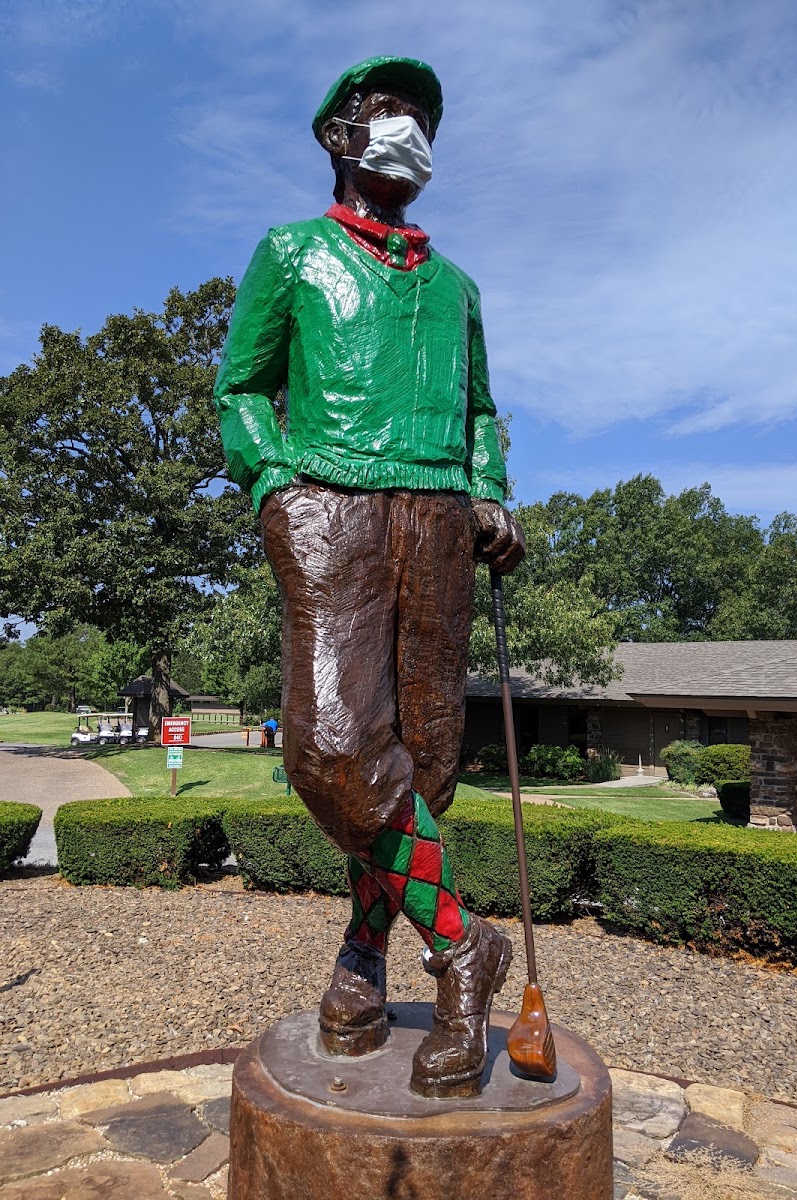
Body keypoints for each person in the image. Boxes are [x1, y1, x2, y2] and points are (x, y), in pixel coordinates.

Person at [214, 56, 525, 1098]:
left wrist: (490, 487)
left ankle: (359, 960)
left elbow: (482, 409)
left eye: (425, 121)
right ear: (341, 137)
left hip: (437, 517)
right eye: (391, 115)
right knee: (336, 746)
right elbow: (242, 385)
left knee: (423, 759)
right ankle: (462, 947)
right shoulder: (293, 253)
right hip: (331, 504)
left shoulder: (458, 288)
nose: (412, 136)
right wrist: (275, 480)